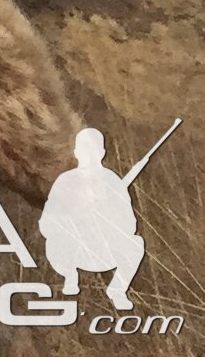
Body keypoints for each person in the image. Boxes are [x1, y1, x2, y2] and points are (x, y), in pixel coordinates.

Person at [41, 127, 148, 310]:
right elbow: (47, 223)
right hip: (73, 249)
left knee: (135, 244)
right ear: (76, 152)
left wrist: (108, 216)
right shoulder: (65, 181)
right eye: (84, 149)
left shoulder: (112, 181)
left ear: (102, 153)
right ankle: (69, 276)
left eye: (93, 149)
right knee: (55, 243)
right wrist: (75, 219)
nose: (88, 154)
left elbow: (130, 224)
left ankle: (117, 290)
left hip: (103, 249)